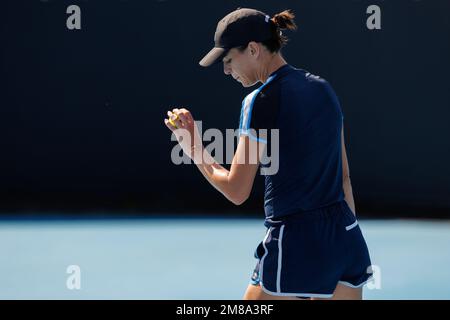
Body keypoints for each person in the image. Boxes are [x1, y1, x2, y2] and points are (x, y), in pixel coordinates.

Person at [164, 8, 372, 300]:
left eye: (228, 60)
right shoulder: (324, 89)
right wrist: (337, 242)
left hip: (295, 244)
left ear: (252, 49)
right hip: (347, 240)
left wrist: (193, 146)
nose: (226, 71)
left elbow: (236, 190)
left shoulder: (260, 101)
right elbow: (345, 179)